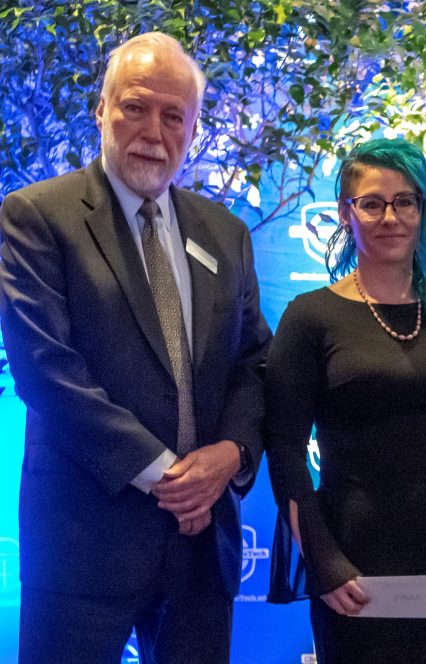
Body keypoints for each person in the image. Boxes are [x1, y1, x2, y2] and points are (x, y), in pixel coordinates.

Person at [0, 32, 272, 663]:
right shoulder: (38, 216)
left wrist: (229, 456)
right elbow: (46, 372)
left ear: (193, 128)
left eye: (174, 115)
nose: (154, 129)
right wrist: (172, 478)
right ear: (102, 110)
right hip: (81, 545)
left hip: (201, 550)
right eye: (136, 106)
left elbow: (254, 364)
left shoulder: (224, 232)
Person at [263, 138, 426, 663]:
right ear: (346, 212)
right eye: (372, 202)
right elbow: (285, 450)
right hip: (350, 559)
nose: (391, 216)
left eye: (405, 201)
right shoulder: (309, 317)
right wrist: (322, 561)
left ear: (423, 211)